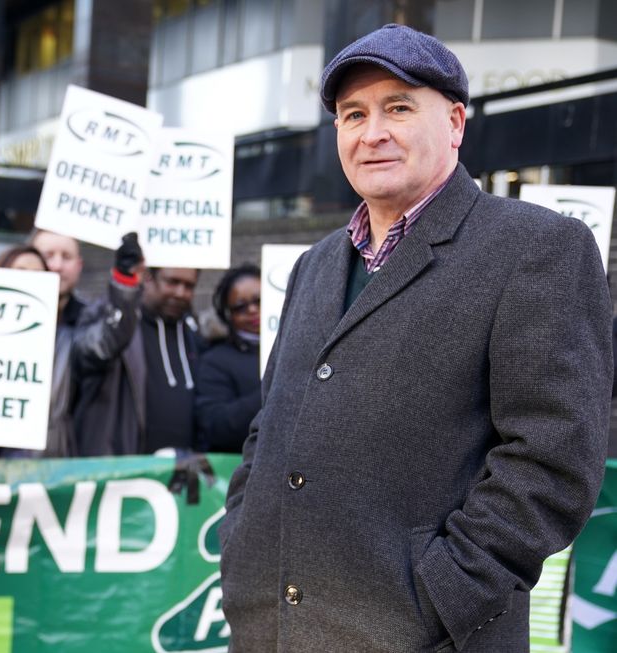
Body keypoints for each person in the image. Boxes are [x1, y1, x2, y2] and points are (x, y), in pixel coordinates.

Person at [219, 24, 611, 653]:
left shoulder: (539, 248)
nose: (372, 132)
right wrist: (240, 551)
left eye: (398, 107)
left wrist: (440, 597)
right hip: (272, 630)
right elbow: (273, 427)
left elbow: (553, 460)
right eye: (354, 114)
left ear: (455, 123)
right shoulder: (314, 265)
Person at [73, 236, 202, 455]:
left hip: (183, 473)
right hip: (124, 472)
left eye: (188, 286)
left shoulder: (194, 331)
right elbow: (101, 344)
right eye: (172, 282)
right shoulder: (116, 320)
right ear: (148, 278)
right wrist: (125, 285)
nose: (180, 293)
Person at [29, 229, 87, 457]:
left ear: (79, 265)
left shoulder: (90, 321)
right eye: (48, 255)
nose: (56, 265)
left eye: (66, 257)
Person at [194, 264, 261, 453]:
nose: (252, 310)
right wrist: (273, 390)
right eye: (240, 307)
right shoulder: (215, 361)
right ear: (228, 315)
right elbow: (216, 427)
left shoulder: (302, 348)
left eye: (259, 301)